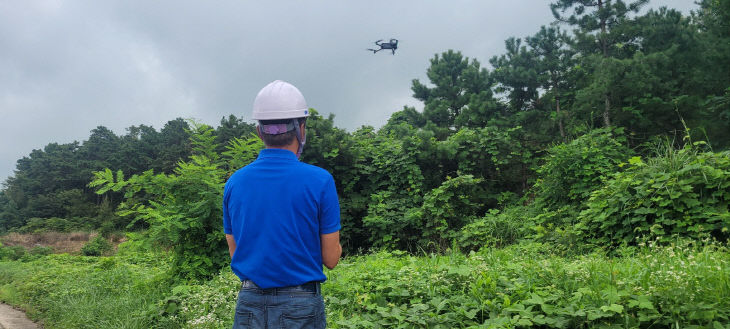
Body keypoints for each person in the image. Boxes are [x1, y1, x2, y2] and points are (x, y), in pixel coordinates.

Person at [223, 80, 342, 329]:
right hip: (301, 306)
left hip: (249, 304)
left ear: (259, 131)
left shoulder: (235, 183)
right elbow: (330, 258)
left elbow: (236, 251)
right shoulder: (320, 180)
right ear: (301, 128)